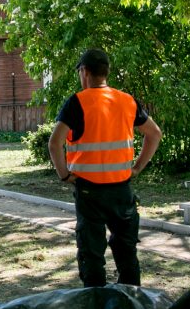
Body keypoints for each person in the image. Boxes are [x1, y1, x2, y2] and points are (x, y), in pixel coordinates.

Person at [48, 48, 162, 287]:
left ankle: (96, 308)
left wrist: (64, 175)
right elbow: (154, 134)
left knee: (91, 255)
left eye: (79, 72)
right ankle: (132, 307)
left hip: (89, 192)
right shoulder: (127, 101)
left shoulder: (77, 102)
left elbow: (54, 143)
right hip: (122, 190)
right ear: (106, 72)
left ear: (85, 72)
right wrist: (138, 167)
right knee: (126, 252)